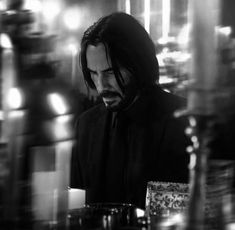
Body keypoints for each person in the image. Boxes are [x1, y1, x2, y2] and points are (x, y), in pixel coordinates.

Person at [70, 12, 190, 209]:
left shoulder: (184, 121)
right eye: (93, 73)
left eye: (110, 73)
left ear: (138, 64)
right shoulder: (86, 126)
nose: (101, 86)